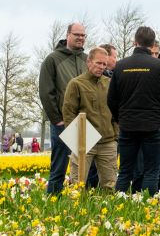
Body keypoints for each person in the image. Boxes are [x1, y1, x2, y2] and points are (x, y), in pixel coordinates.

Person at [110, 26, 160, 193]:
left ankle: (118, 207)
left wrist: (120, 118)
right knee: (152, 171)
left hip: (127, 126)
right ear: (152, 44)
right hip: (153, 126)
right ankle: (147, 208)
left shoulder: (120, 66)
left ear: (135, 42)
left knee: (125, 171)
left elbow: (111, 99)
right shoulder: (158, 66)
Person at [39, 22, 89, 195]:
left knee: (85, 167)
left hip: (85, 122)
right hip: (63, 122)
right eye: (77, 35)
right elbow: (46, 92)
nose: (80, 38)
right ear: (68, 35)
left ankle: (83, 202)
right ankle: (53, 202)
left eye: (83, 35)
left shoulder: (87, 60)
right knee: (59, 167)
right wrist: (57, 119)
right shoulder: (53, 59)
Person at [62, 47, 119, 190]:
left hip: (108, 142)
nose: (101, 67)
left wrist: (115, 136)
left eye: (104, 64)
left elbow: (117, 111)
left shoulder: (110, 83)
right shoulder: (76, 84)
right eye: (98, 63)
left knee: (110, 186)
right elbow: (69, 114)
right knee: (77, 186)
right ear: (88, 62)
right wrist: (77, 141)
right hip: (84, 143)